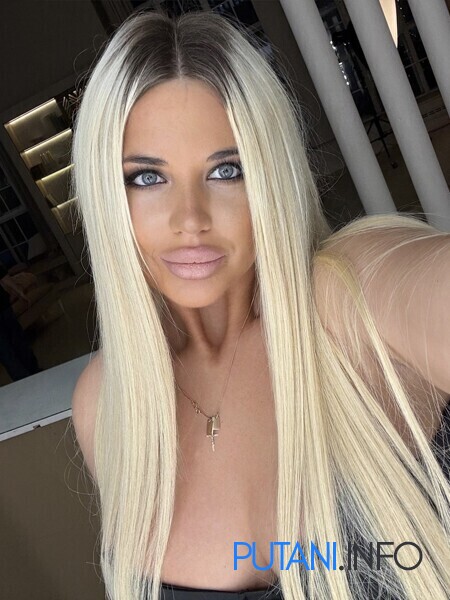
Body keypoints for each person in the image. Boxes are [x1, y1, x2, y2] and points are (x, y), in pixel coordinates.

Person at [70, 10, 450, 600]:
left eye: (227, 170)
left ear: (270, 174)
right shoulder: (106, 403)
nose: (190, 219)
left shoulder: (351, 301)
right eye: (146, 178)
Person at [0, 260, 41, 381]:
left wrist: (19, 291)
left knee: (16, 344)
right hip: (3, 307)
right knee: (8, 349)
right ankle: (27, 378)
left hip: (3, 307)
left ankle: (32, 374)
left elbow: (2, 276)